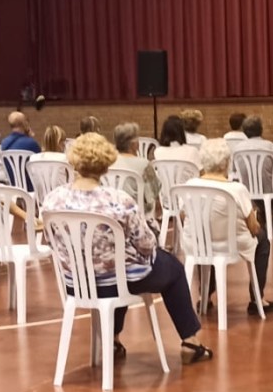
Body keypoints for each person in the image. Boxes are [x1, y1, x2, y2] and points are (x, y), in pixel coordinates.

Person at [40, 133, 212, 365]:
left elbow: (52, 242)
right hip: (118, 281)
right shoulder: (118, 200)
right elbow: (146, 245)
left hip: (77, 283)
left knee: (120, 266)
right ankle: (190, 341)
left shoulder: (53, 200)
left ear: (73, 162)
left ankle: (113, 340)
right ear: (106, 164)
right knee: (173, 269)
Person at [188, 139, 273, 317]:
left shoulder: (190, 185)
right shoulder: (237, 189)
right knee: (263, 240)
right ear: (227, 162)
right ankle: (257, 298)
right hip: (232, 243)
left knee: (206, 237)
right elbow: (253, 227)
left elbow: (185, 215)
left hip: (199, 243)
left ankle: (205, 295)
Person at [113, 122, 159, 212]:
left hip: (113, 209)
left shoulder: (108, 162)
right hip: (137, 211)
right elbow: (155, 191)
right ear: (134, 144)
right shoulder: (144, 164)